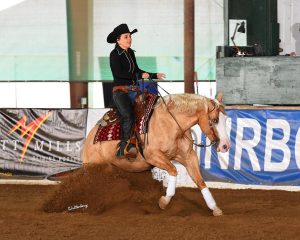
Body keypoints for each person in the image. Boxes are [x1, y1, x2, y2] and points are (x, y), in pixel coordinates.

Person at [107, 23, 166, 159]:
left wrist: (153, 75)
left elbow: (137, 71)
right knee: (128, 115)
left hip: (134, 90)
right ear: (118, 40)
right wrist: (139, 76)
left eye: (129, 36)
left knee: (151, 108)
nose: (129, 39)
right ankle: (123, 147)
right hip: (120, 92)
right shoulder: (114, 54)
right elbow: (119, 73)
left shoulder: (130, 53)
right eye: (126, 36)